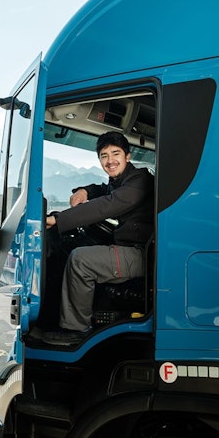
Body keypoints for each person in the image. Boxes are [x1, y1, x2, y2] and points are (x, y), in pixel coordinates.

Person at [42, 131, 154, 345]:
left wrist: (59, 219)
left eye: (115, 153)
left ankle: (75, 331)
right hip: (133, 249)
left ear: (127, 156)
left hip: (141, 254)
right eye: (104, 156)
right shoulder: (123, 179)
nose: (110, 161)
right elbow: (104, 190)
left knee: (80, 260)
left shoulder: (140, 180)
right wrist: (85, 190)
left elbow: (108, 204)